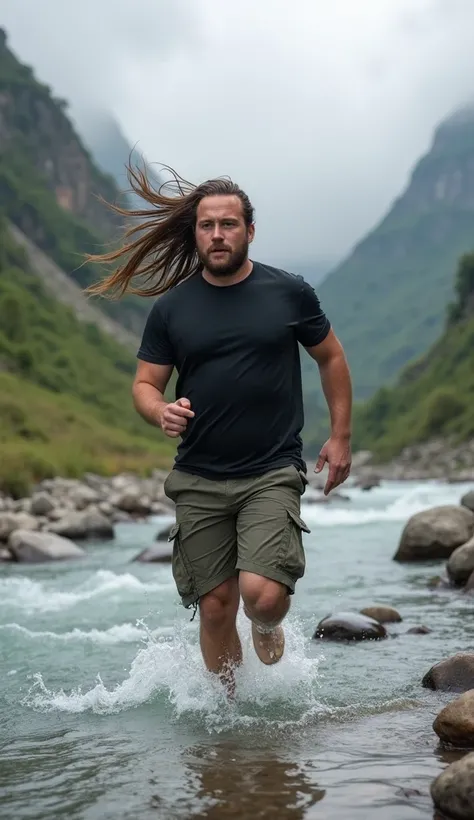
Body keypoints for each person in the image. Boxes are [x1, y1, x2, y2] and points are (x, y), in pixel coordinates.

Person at [86, 165, 352, 693]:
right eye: (207, 226)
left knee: (263, 595)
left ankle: (266, 623)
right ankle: (228, 723)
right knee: (214, 606)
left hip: (271, 470)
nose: (217, 234)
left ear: (249, 231)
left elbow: (331, 356)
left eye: (228, 224)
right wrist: (158, 409)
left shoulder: (289, 293)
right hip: (199, 476)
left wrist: (341, 435)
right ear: (195, 234)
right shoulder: (172, 308)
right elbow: (144, 383)